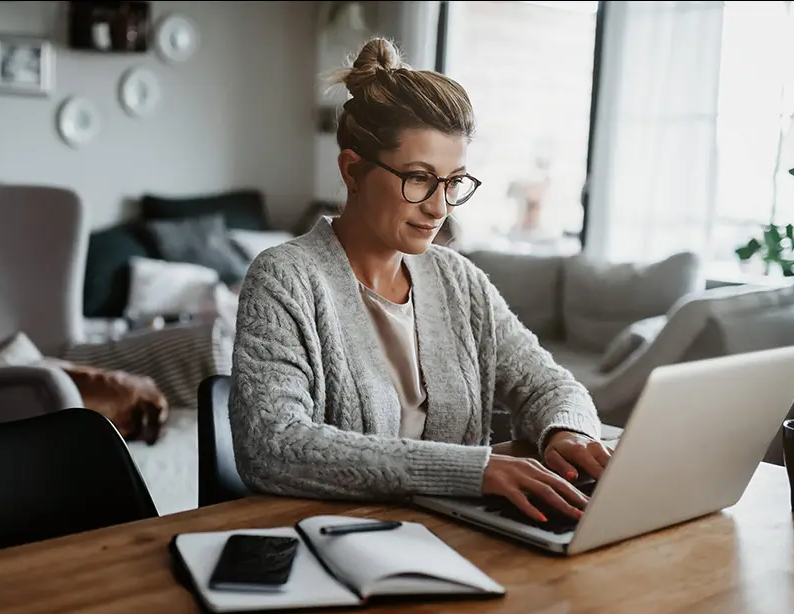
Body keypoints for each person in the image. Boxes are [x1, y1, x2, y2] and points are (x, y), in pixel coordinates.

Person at [229, 37, 610, 523]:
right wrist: (474, 470)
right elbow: (273, 445)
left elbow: (549, 386)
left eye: (454, 182)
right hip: (336, 542)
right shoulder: (285, 279)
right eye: (419, 178)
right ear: (352, 169)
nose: (439, 207)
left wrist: (567, 432)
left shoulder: (459, 280)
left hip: (459, 534)